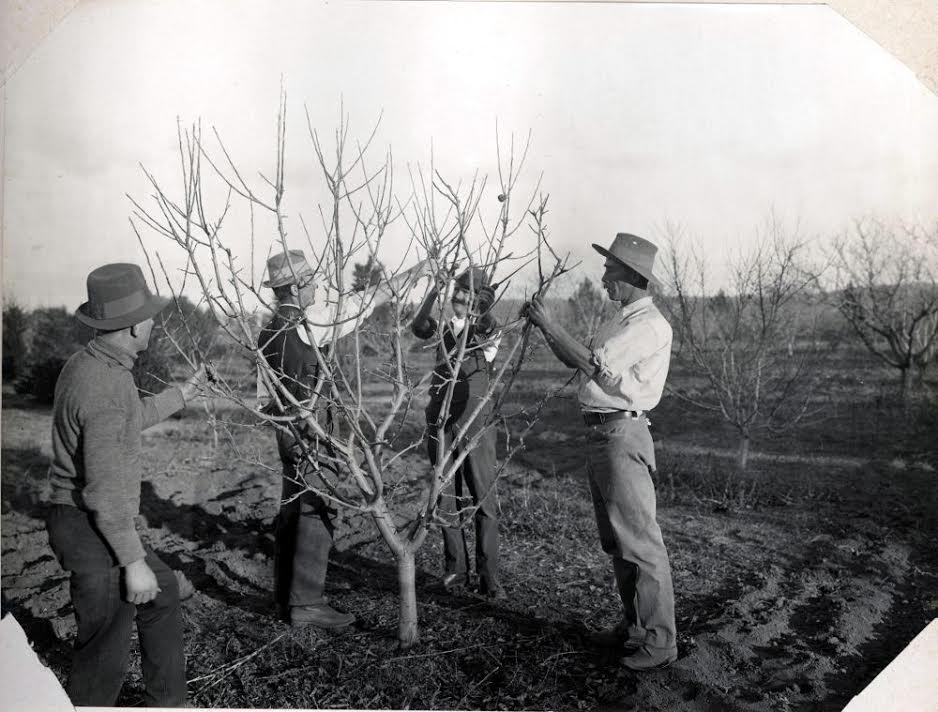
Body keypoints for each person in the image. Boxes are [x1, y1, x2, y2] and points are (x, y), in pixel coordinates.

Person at [46, 262, 206, 707]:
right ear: (134, 327)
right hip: (89, 523)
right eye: (151, 315)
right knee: (106, 646)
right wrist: (132, 560)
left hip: (87, 516)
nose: (155, 320)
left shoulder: (91, 364)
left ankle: (168, 702)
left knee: (164, 590)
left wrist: (183, 394)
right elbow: (102, 489)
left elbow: (126, 420)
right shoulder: (105, 385)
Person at [523, 233, 678, 671]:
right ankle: (635, 627)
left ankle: (661, 641)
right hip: (602, 434)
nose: (604, 276)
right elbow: (580, 361)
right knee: (617, 540)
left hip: (621, 434)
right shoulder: (621, 320)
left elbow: (595, 364)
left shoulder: (648, 325)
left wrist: (550, 322)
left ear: (630, 275)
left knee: (640, 542)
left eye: (610, 270)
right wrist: (542, 325)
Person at [258, 248, 427, 628]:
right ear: (298, 287)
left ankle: (285, 598)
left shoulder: (267, 332)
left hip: (285, 429)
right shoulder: (307, 327)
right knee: (317, 509)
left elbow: (263, 397)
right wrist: (416, 271)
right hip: (310, 429)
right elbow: (367, 299)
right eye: (311, 281)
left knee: (292, 509)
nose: (317, 285)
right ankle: (307, 604)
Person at [411, 266, 505, 599]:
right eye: (457, 291)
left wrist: (484, 306)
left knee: (483, 499)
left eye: (468, 292)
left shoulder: (487, 330)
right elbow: (417, 325)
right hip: (441, 423)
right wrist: (432, 293)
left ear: (479, 298)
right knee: (445, 498)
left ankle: (488, 575)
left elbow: (485, 325)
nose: (460, 298)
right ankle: (455, 571)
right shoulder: (441, 329)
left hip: (475, 425)